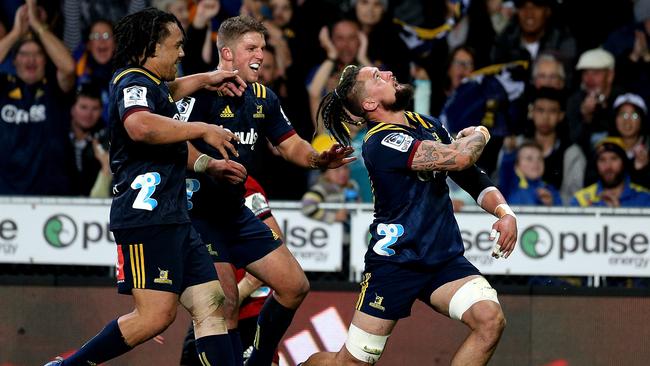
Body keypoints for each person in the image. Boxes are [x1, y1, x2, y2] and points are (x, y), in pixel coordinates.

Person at [43, 8, 246, 366]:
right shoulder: (133, 82)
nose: (182, 52)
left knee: (212, 302)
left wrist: (205, 79)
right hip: (146, 218)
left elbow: (167, 92)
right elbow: (139, 125)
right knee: (155, 316)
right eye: (177, 45)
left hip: (174, 218)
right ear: (151, 48)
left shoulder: (149, 85)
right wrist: (200, 128)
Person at [301, 64, 517, 365]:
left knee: (490, 320)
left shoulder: (426, 124)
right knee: (351, 363)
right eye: (376, 77)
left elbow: (470, 176)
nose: (389, 74)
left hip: (441, 259)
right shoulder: (381, 142)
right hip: (396, 262)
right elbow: (461, 157)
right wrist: (481, 132)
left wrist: (504, 212)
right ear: (369, 104)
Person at [177, 15, 355, 366]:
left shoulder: (263, 97)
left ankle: (256, 361)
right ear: (227, 53)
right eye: (252, 48)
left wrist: (319, 159)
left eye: (263, 46)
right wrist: (208, 164)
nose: (261, 54)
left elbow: (290, 145)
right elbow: (171, 144)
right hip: (197, 214)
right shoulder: (198, 92)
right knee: (225, 303)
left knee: (294, 286)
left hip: (235, 211)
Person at [179, 176, 282, 366]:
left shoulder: (240, 182)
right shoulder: (184, 184)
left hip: (250, 313)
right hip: (212, 315)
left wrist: (238, 294)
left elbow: (275, 246)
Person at [0, 2, 77, 195]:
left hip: (52, 195)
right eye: (24, 54)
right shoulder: (3, 86)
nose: (30, 60)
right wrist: (16, 32)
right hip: (6, 195)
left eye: (37, 54)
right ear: (14, 60)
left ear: (46, 59)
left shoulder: (54, 86)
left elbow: (68, 68)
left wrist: (37, 26)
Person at [571, 137, 650, 207]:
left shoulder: (645, 197)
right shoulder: (581, 200)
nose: (608, 166)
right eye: (602, 160)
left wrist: (616, 212)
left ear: (624, 163)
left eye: (614, 158)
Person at [608, 92, 650, 188]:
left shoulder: (648, 149)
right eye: (623, 115)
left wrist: (644, 169)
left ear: (642, 120)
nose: (627, 121)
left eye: (634, 115)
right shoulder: (604, 147)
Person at [505, 141, 562, 206]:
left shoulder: (550, 189)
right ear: (517, 166)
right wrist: (509, 150)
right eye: (529, 158)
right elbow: (506, 165)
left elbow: (563, 213)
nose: (536, 162)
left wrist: (552, 204)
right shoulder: (509, 186)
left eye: (539, 158)